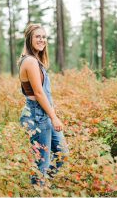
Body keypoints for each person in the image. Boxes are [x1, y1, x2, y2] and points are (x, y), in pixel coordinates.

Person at [18, 23, 68, 187]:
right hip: (37, 115)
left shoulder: (36, 61)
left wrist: (52, 113)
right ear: (29, 39)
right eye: (37, 36)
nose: (42, 40)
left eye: (44, 37)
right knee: (42, 163)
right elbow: (39, 93)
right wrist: (54, 117)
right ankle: (38, 189)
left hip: (44, 113)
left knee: (62, 153)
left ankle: (46, 186)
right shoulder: (30, 62)